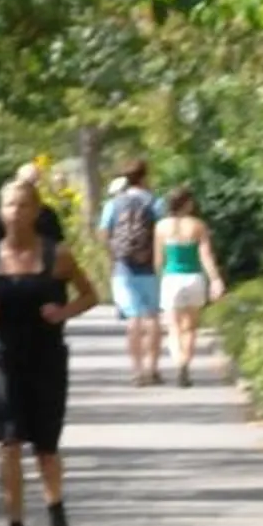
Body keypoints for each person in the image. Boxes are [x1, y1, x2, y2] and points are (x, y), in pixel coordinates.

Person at [0, 172, 98, 526]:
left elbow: (90, 294)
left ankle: (55, 508)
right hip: (4, 357)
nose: (16, 212)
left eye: (24, 205)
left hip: (46, 358)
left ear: (37, 210)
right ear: (0, 210)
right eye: (9, 204)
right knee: (8, 443)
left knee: (45, 448)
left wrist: (63, 312)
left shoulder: (56, 255)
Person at [97, 160, 166, 385]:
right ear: (145, 177)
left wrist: (113, 254)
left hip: (124, 268)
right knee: (153, 317)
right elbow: (162, 233)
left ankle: (137, 371)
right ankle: (153, 368)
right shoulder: (155, 202)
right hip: (150, 267)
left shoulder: (113, 204)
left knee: (133, 319)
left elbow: (103, 233)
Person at [154, 185, 225, 387]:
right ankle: (186, 363)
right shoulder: (197, 225)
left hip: (171, 278)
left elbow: (158, 258)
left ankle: (178, 362)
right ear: (187, 203)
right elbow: (206, 255)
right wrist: (215, 279)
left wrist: (156, 279)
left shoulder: (161, 226)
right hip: (193, 277)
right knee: (190, 328)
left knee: (174, 327)